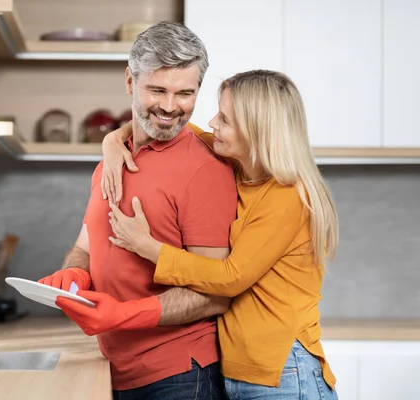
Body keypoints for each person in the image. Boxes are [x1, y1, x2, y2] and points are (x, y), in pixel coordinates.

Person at [98, 70, 340, 399]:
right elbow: (160, 125)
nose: (212, 123)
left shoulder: (288, 194)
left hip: (284, 372)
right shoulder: (241, 167)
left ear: (257, 132)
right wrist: (112, 141)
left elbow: (231, 277)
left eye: (224, 118)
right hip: (247, 373)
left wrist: (149, 247)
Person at [37, 21, 238, 400]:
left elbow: (215, 293)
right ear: (130, 81)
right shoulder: (112, 158)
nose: (169, 106)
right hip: (114, 367)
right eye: (157, 89)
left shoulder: (206, 170)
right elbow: (88, 243)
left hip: (179, 375)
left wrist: (121, 315)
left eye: (185, 93)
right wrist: (73, 272)